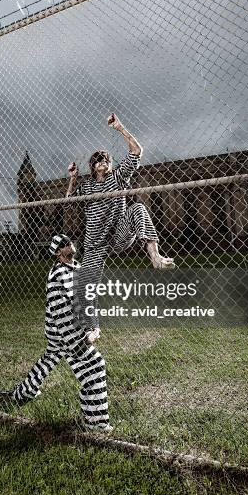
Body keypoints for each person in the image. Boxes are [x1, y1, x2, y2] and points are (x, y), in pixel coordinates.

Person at [66, 113, 174, 331]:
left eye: (106, 159)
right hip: (94, 244)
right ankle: (92, 328)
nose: (103, 162)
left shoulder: (118, 177)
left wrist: (120, 128)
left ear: (110, 164)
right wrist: (73, 178)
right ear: (92, 165)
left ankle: (155, 257)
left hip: (118, 235)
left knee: (138, 208)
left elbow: (136, 152)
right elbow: (68, 202)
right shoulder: (87, 186)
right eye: (98, 159)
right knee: (85, 288)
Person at [0, 234, 112, 433]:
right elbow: (64, 312)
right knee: (95, 366)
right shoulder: (58, 274)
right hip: (65, 334)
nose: (69, 244)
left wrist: (95, 327)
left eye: (69, 241)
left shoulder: (77, 269)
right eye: (63, 244)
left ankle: (22, 394)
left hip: (62, 334)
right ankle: (96, 423)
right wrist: (80, 341)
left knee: (49, 359)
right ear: (58, 252)